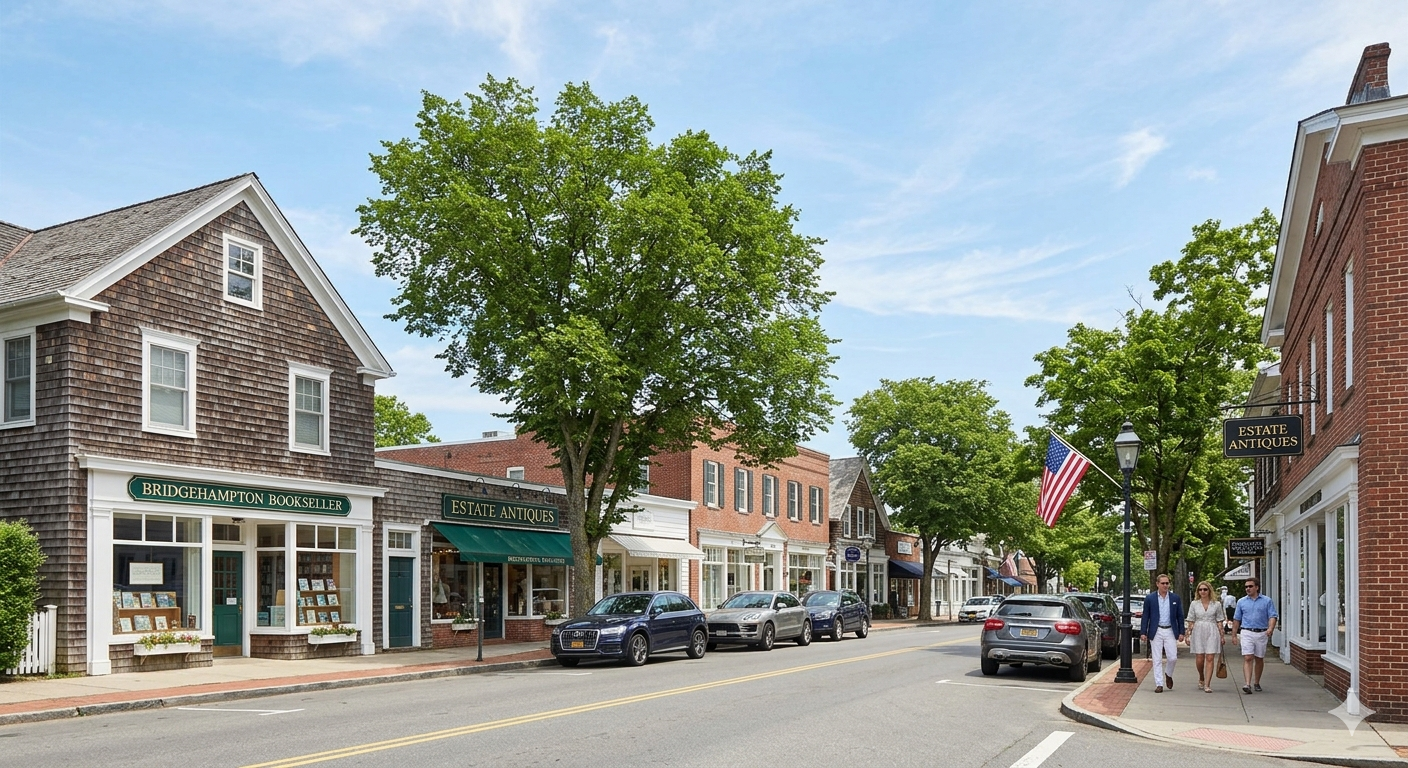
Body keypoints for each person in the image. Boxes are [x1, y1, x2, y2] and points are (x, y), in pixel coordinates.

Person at [1231, 576, 1279, 694]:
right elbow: (1237, 619)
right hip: (1247, 631)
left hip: (1261, 632)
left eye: (1250, 586)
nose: (1248, 588)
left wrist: (1270, 628)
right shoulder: (1241, 602)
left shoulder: (1266, 601)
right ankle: (1247, 684)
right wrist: (1233, 635)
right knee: (1248, 657)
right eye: (1246, 587)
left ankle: (1256, 682)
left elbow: (1272, 616)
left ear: (1257, 587)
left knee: (1259, 658)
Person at [1140, 573, 1185, 693]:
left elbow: (1180, 616)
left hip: (1170, 629)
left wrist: (1182, 632)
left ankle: (1168, 673)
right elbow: (1146, 616)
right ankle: (1159, 683)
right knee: (1157, 658)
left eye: (1167, 583)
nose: (1165, 585)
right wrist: (1143, 632)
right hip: (1156, 630)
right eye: (1163, 583)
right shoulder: (1150, 598)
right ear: (1157, 584)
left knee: (1172, 657)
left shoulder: (1175, 598)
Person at [1186, 580, 1226, 693]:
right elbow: (1191, 620)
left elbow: (1219, 621)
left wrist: (1222, 635)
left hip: (1212, 630)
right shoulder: (1194, 604)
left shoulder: (1216, 604)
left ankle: (1207, 684)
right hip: (1198, 630)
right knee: (1199, 658)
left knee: (1210, 658)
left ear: (1209, 590)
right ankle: (1201, 676)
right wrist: (1187, 634)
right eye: (1200, 589)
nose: (1203, 591)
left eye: (1205, 589)